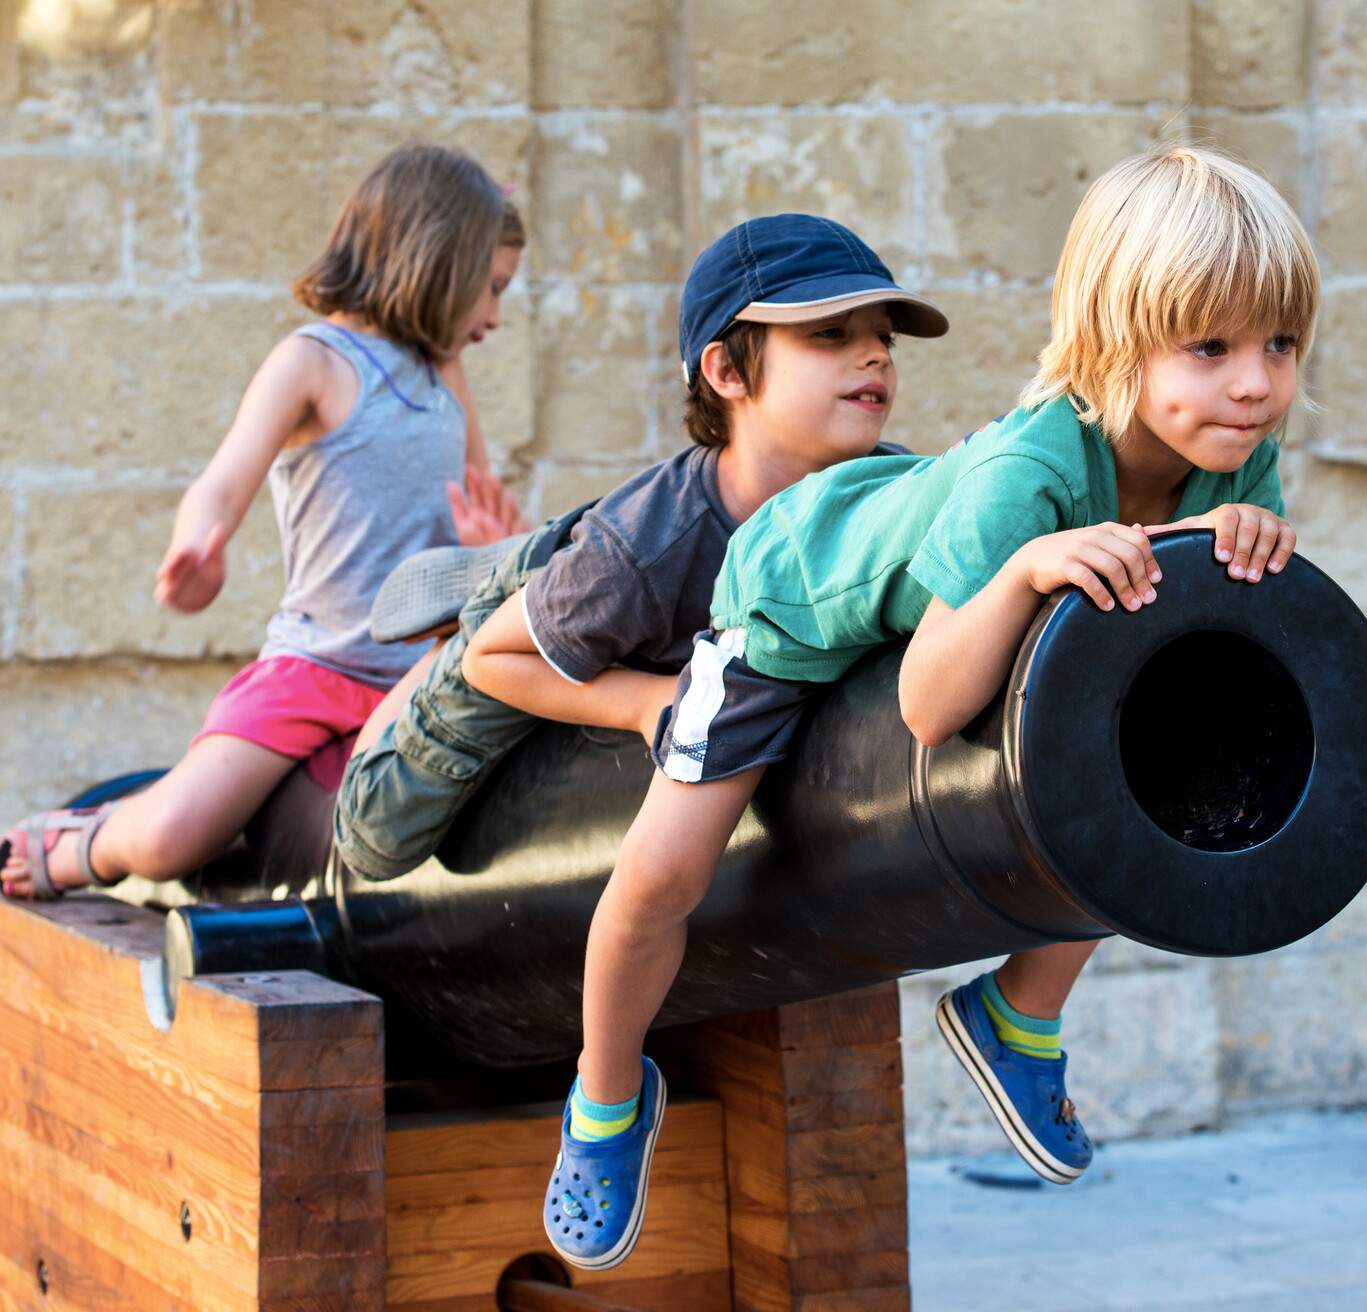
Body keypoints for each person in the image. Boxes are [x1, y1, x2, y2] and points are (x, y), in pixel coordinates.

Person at [545, 144, 1319, 1269]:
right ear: (1117, 340)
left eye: (1279, 344)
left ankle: (1017, 1016)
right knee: (661, 873)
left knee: (1142, 761)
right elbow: (925, 703)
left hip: (940, 593)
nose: (1254, 382)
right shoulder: (1033, 470)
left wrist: (1253, 540)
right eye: (1209, 347)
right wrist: (1021, 573)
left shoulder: (1237, 448)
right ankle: (606, 1096)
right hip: (798, 595)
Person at [328, 215, 946, 914]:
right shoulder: (649, 547)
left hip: (642, 623)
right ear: (726, 371)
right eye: (830, 334)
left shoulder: (893, 494)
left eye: (883, 340)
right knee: (374, 839)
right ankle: (498, 597)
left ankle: (542, 585)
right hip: (527, 636)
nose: (875, 358)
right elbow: (492, 666)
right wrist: (643, 703)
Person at [0, 144, 526, 898]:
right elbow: (220, 483)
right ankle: (88, 841)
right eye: (491, 288)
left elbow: (484, 503)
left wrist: (495, 550)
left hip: (420, 669)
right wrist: (199, 544)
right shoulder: (313, 362)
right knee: (180, 836)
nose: (497, 317)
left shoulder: (445, 374)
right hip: (319, 667)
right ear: (437, 260)